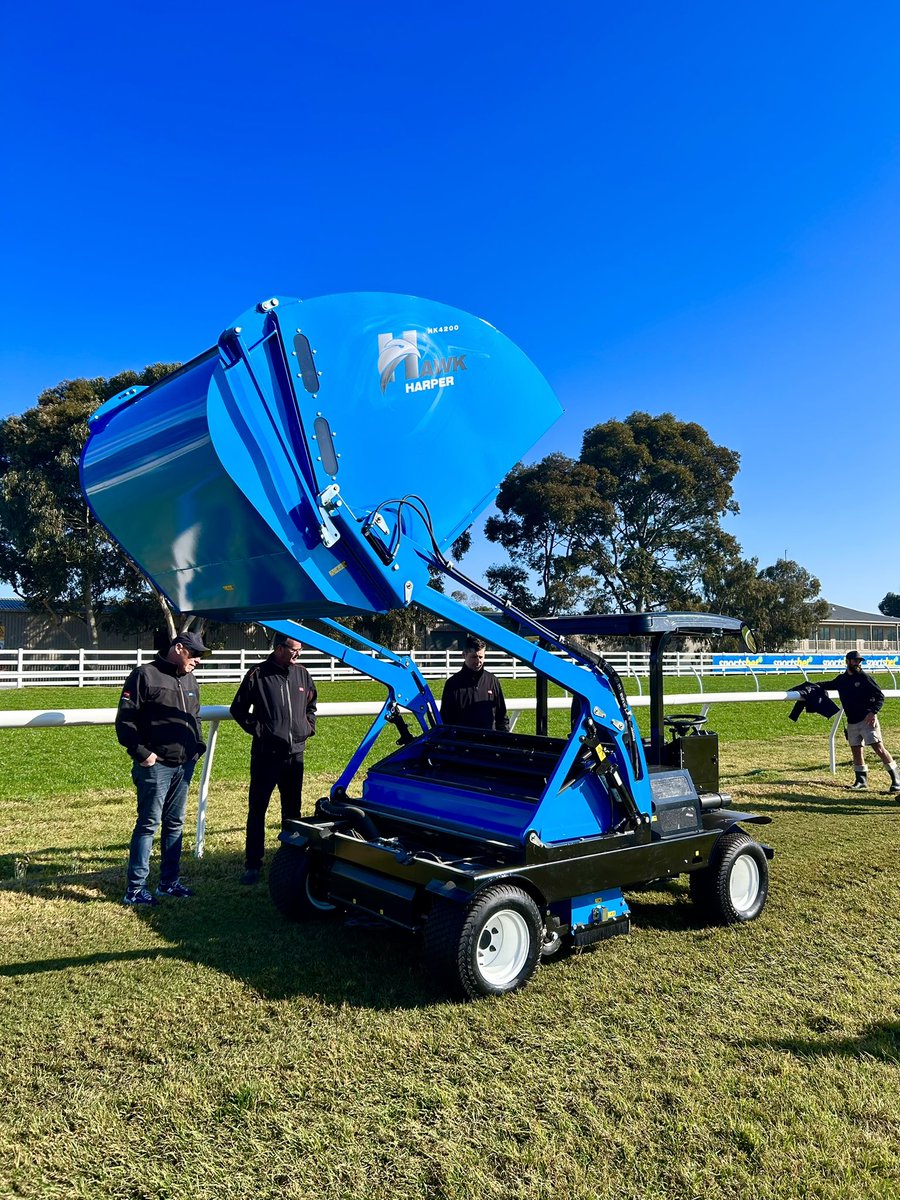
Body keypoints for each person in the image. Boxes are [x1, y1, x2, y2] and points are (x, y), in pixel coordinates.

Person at [115, 631, 209, 906]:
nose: (198, 660)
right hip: (155, 766)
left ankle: (169, 882)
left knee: (175, 824)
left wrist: (198, 747)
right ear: (178, 649)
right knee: (148, 824)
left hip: (184, 765)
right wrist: (143, 754)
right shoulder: (145, 675)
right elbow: (125, 720)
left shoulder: (190, 679)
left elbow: (195, 716)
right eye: (195, 654)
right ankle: (135, 889)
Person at [230, 633, 318, 884]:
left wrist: (308, 727)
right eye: (294, 649)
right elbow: (238, 709)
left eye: (300, 649)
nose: (298, 654)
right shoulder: (257, 674)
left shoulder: (303, 674)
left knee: (292, 811)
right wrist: (261, 731)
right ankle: (253, 864)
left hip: (295, 755)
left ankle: (289, 859)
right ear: (280, 648)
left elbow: (311, 705)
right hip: (265, 756)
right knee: (258, 810)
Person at [819, 650, 900, 794]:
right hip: (852, 722)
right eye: (855, 661)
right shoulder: (842, 679)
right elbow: (828, 684)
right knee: (856, 751)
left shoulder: (864, 677)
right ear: (847, 661)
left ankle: (896, 780)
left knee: (879, 749)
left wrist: (873, 712)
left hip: (867, 720)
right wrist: (810, 686)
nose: (858, 663)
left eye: (859, 661)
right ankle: (861, 781)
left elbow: (880, 696)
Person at [439, 635, 510, 732]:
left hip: (489, 740)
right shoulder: (452, 684)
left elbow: (502, 717)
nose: (478, 661)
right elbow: (446, 719)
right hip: (463, 740)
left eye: (481, 657)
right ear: (464, 655)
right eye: (474, 657)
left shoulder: (492, 681)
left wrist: (505, 737)